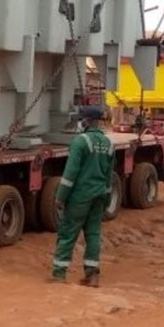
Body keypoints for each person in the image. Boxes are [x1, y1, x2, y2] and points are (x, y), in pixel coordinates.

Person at [49, 105, 115, 287]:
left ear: (87, 121)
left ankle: (59, 274)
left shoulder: (80, 142)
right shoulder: (109, 144)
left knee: (68, 233)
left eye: (81, 119)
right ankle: (92, 275)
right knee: (93, 234)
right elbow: (109, 176)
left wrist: (60, 197)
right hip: (99, 195)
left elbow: (70, 174)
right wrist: (107, 200)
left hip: (80, 196)